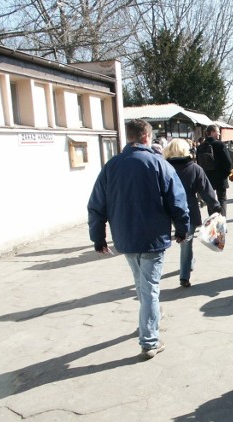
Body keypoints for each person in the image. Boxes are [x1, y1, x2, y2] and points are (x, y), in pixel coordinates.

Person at [87, 119, 190, 360]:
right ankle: (149, 340)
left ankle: (149, 320)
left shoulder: (111, 166)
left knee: (143, 285)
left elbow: (96, 206)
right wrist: (183, 229)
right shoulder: (158, 164)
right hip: (153, 238)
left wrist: (98, 238)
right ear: (146, 137)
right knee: (150, 289)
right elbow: (177, 200)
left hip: (126, 238)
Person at [163, 139, 222, 288]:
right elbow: (206, 190)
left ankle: (186, 264)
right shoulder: (195, 168)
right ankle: (184, 276)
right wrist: (215, 207)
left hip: (165, 209)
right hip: (187, 209)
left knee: (173, 243)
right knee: (186, 243)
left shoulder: (163, 167)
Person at [196, 125, 232, 216]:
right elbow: (228, 162)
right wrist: (226, 173)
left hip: (207, 177)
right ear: (212, 132)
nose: (219, 134)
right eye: (217, 131)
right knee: (222, 199)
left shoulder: (200, 147)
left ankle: (212, 221)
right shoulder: (220, 145)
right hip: (220, 177)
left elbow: (198, 164)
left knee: (210, 200)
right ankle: (222, 220)